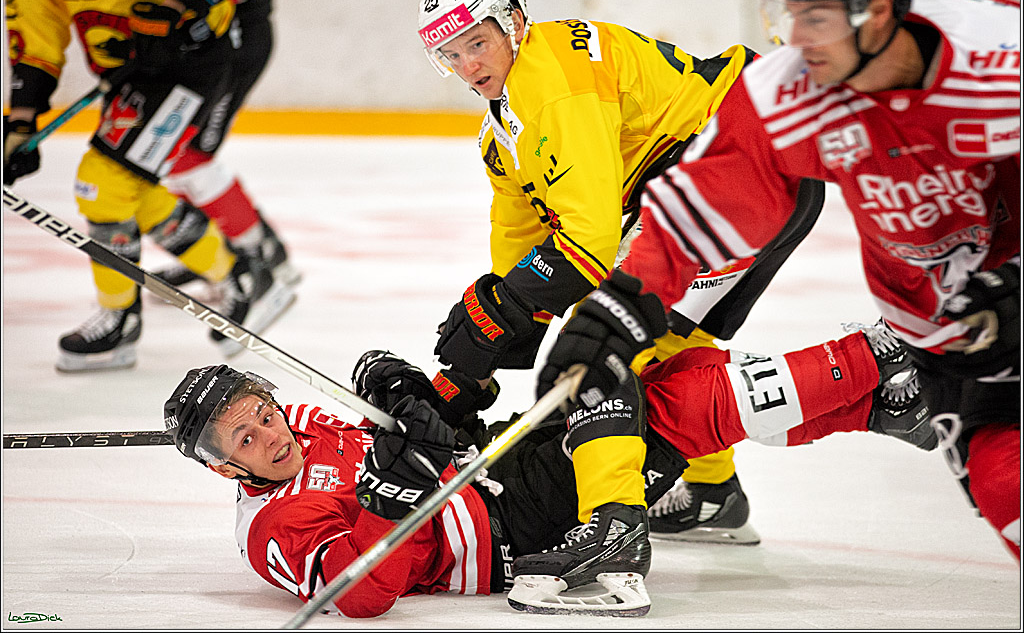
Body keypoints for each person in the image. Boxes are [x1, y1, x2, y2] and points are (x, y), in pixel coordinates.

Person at [537, 0, 1020, 560]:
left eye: (815, 17)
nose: (794, 38)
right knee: (1006, 487)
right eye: (785, 12)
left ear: (877, 11)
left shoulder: (1002, 58)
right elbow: (702, 209)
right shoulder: (787, 93)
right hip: (953, 340)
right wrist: (622, 305)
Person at [418, 0, 829, 548]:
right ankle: (712, 491)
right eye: (450, 55)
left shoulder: (552, 81)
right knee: (659, 336)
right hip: (734, 162)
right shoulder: (501, 132)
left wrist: (505, 309)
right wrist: (476, 361)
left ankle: (612, 529)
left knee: (613, 344)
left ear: (513, 19)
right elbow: (523, 248)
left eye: (475, 43)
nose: (467, 65)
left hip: (753, 162)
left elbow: (586, 246)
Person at [162, 319, 932, 617]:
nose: (266, 431)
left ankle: (876, 407)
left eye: (259, 409)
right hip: (513, 524)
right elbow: (360, 594)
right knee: (662, 410)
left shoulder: (296, 426)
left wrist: (407, 396)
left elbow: (410, 440)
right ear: (226, 469)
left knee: (659, 356)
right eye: (241, 437)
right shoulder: (271, 528)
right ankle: (878, 355)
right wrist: (393, 497)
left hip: (495, 461)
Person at [3, 0, 296, 369]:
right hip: (131, 70)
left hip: (189, 61)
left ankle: (126, 316)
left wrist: (173, 11)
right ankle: (242, 276)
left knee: (102, 183)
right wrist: (21, 119)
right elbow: (36, 23)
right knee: (124, 192)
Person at [156, 0, 301, 297]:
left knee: (190, 156)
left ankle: (257, 256)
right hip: (212, 39)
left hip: (233, 44)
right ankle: (229, 252)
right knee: (172, 154)